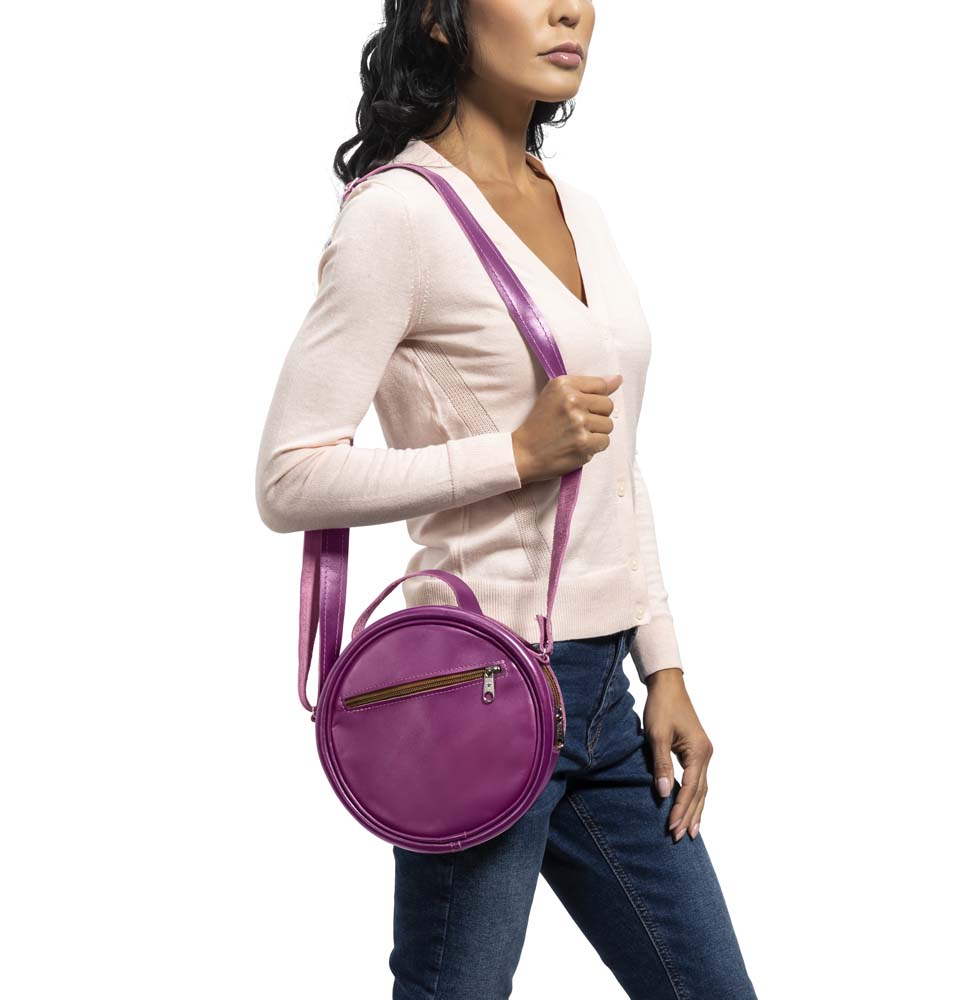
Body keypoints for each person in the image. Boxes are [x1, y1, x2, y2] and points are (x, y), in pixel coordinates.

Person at [255, 2, 757, 997]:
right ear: (441, 19)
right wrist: (515, 453)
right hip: (476, 690)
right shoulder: (397, 216)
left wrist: (663, 661)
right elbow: (289, 476)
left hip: (606, 698)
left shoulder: (577, 207)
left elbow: (614, 461)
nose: (569, 10)